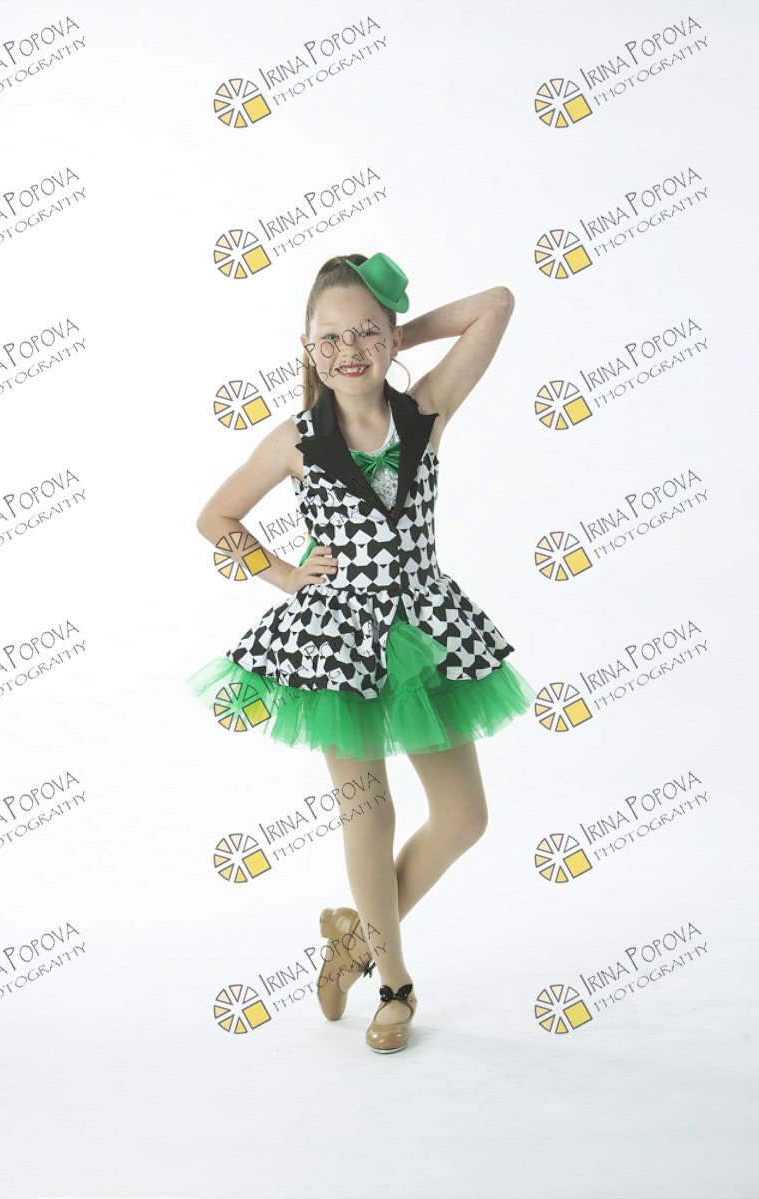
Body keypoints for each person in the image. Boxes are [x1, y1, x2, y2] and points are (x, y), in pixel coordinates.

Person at [186, 252, 538, 1053]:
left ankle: (352, 941)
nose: (350, 350)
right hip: (336, 642)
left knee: (464, 816)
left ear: (391, 338)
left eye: (368, 334)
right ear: (308, 349)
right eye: (332, 338)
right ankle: (395, 983)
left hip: (423, 633)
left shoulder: (425, 411)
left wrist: (397, 332)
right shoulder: (297, 439)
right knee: (369, 812)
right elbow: (216, 518)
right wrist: (284, 574)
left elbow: (496, 303)